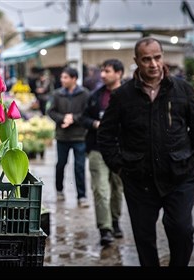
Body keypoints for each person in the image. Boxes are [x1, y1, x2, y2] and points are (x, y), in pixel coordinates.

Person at [97, 37, 194, 266]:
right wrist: (120, 167)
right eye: (146, 59)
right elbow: (106, 136)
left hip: (179, 175)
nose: (153, 64)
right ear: (137, 61)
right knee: (144, 237)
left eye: (157, 57)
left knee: (181, 229)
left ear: (162, 56)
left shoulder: (182, 89)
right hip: (139, 180)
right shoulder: (123, 96)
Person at [83, 59, 125, 246]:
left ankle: (115, 221)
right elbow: (83, 117)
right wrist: (94, 124)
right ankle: (105, 229)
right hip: (97, 148)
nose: (102, 75)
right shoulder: (95, 96)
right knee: (100, 189)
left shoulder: (129, 95)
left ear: (119, 73)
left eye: (107, 71)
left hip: (121, 150)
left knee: (117, 189)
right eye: (102, 70)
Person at [47, 67, 90, 208]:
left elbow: (87, 112)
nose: (62, 80)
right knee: (61, 164)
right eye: (62, 77)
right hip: (62, 136)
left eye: (65, 77)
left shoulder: (84, 94)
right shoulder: (57, 94)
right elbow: (51, 111)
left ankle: (82, 196)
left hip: (79, 136)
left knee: (79, 167)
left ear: (74, 79)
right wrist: (63, 118)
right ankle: (59, 190)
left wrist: (74, 118)